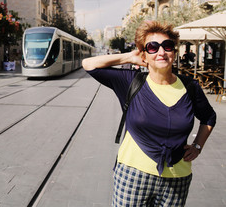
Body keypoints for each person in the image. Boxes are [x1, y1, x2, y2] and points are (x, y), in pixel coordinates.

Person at [82, 21, 216, 207]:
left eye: (167, 46)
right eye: (152, 47)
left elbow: (209, 117)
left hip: (177, 179)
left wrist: (198, 146)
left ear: (174, 52)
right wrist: (129, 57)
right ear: (144, 53)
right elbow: (88, 64)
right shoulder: (131, 81)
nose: (161, 52)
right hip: (132, 175)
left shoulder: (190, 87)